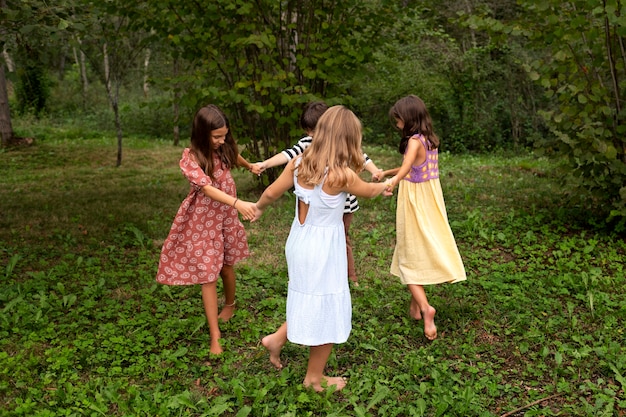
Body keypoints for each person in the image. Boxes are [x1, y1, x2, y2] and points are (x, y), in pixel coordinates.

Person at [252, 105, 392, 392]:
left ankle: (276, 339)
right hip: (325, 248)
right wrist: (389, 184)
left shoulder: (299, 162)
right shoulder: (343, 176)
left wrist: (257, 209)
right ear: (349, 139)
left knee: (309, 297)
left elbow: (270, 193)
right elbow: (372, 191)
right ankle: (314, 378)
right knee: (326, 306)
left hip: (299, 243)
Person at [156, 104, 257, 355]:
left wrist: (250, 166)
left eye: (224, 135)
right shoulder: (191, 158)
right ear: (202, 134)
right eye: (216, 136)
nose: (222, 141)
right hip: (202, 223)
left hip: (224, 220)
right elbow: (208, 188)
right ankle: (215, 336)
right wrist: (238, 202)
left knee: (226, 267)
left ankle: (230, 304)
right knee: (207, 275)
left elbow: (235, 156)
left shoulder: (223, 149)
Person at [252, 101, 383, 286]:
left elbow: (363, 157)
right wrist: (265, 163)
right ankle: (336, 277)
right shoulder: (314, 152)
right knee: (332, 248)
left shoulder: (318, 160)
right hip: (320, 212)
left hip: (337, 210)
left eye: (314, 130)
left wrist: (375, 171)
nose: (311, 135)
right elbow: (288, 153)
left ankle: (350, 274)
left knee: (342, 239)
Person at [381, 95, 466, 341]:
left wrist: (392, 183)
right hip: (430, 202)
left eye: (398, 118)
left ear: (407, 118)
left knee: (409, 254)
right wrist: (387, 172)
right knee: (420, 249)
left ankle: (427, 308)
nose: (396, 123)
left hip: (414, 203)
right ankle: (415, 306)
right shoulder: (428, 140)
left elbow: (407, 166)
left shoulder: (413, 142)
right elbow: (411, 166)